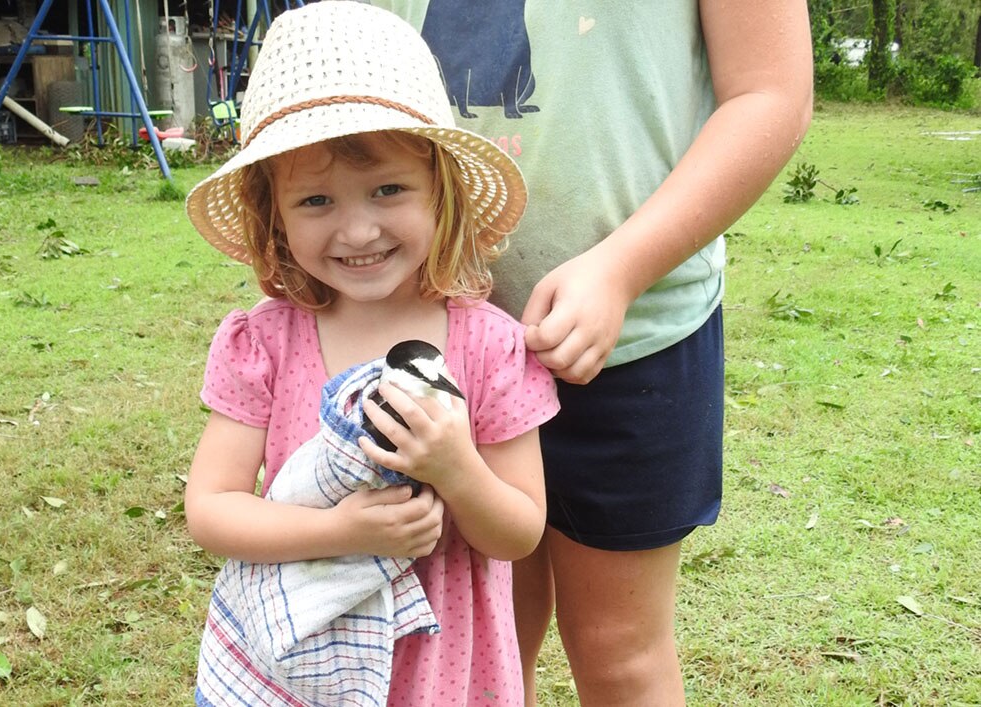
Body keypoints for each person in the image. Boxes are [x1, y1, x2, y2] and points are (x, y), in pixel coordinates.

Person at [371, 1, 815, 704]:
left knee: (620, 654)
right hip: (437, 345)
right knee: (473, 642)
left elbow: (770, 89)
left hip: (633, 341)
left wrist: (622, 268)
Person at [182, 3, 560, 705]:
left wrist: (456, 468)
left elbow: (521, 530)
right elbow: (210, 507)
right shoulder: (265, 343)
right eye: (317, 200)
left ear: (441, 190)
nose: (358, 229)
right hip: (303, 658)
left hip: (444, 670)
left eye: (389, 189)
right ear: (274, 216)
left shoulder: (489, 346)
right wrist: (336, 531)